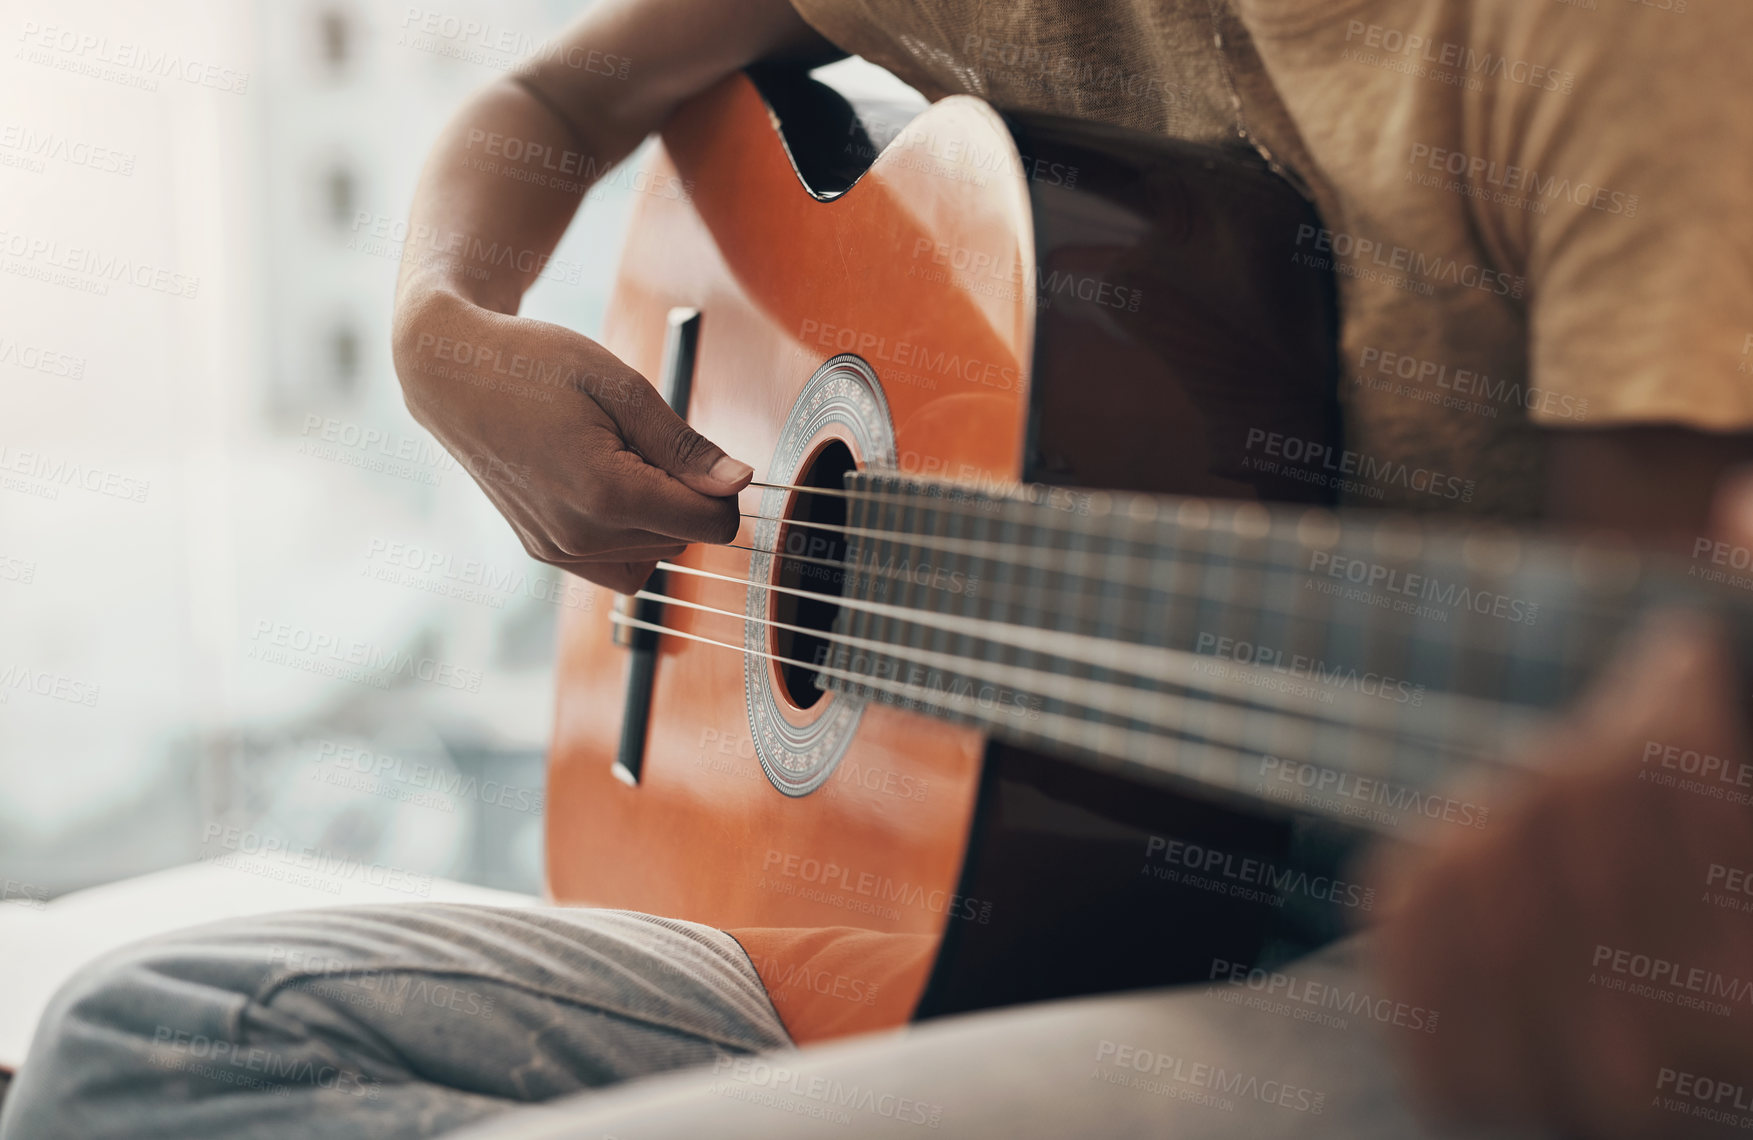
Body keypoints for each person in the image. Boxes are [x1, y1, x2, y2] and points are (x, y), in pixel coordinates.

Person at [5, 0, 1753, 1136]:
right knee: (143, 1048)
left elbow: (1638, 768)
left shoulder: (1605, 45)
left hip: (1415, 937)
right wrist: (437, 330)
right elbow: (552, 93)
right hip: (962, 900)